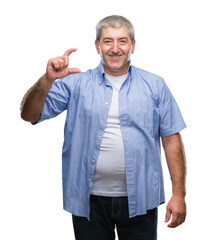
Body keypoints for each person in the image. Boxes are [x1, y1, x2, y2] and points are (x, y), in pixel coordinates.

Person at [20, 15, 187, 240]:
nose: (115, 48)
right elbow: (28, 114)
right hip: (88, 202)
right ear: (97, 45)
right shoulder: (75, 83)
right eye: (108, 41)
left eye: (122, 41)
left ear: (133, 46)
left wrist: (179, 194)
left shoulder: (155, 85)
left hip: (142, 199)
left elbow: (171, 139)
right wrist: (47, 80)